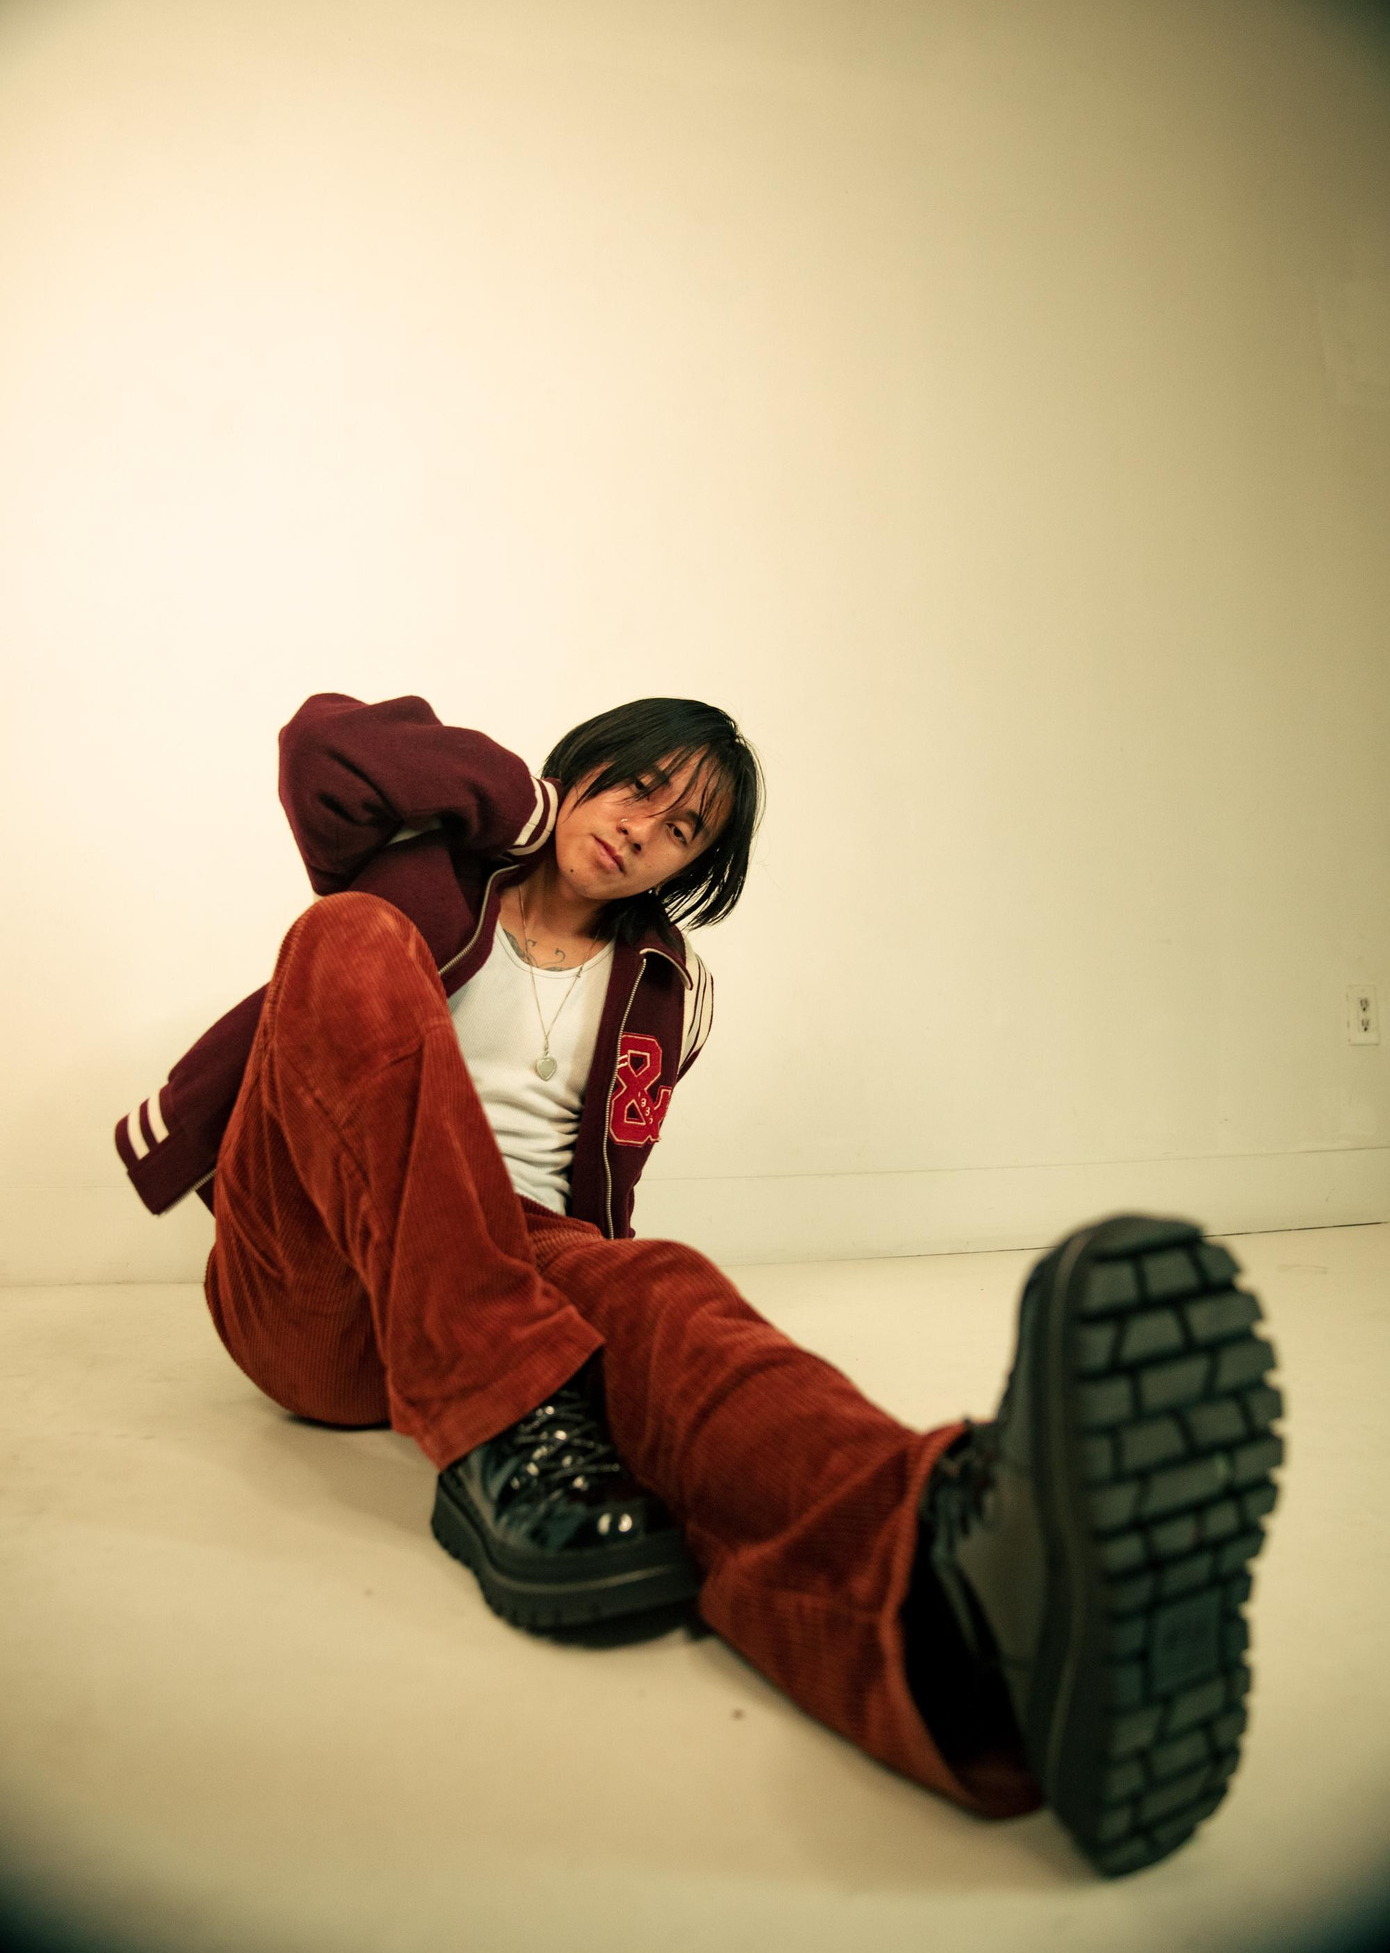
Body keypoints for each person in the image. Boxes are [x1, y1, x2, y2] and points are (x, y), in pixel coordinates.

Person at [114, 690, 1283, 1879]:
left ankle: (961, 1595)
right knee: (344, 935)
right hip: (315, 1275)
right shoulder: (423, 879)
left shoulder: (671, 989)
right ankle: (504, 1417)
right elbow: (324, 751)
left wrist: (627, 1347)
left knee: (663, 1286)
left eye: (682, 830)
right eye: (637, 787)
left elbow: (601, 1205)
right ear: (581, 769)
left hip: (509, 1256)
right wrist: (522, 808)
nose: (643, 830)